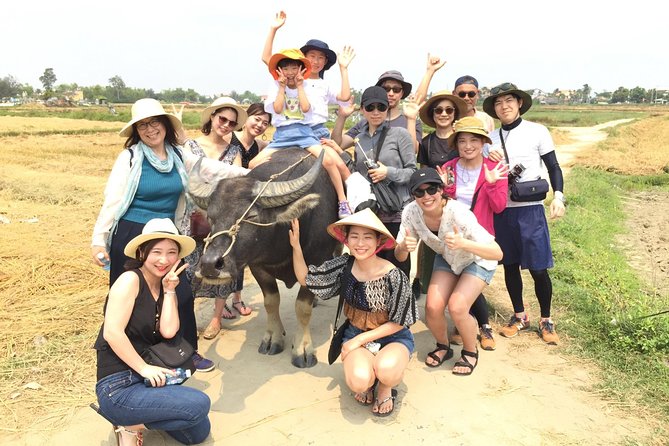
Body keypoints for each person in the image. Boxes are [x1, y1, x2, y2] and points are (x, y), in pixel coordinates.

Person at [90, 98, 248, 372]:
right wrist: (98, 239)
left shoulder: (178, 156)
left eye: (154, 123)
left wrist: (251, 174)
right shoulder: (130, 157)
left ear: (165, 125)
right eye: (142, 126)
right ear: (136, 130)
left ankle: (185, 352)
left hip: (166, 236)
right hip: (131, 233)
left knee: (180, 293)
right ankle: (124, 357)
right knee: (128, 296)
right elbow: (112, 200)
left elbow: (211, 169)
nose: (150, 130)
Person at [289, 209, 418, 416]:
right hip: (355, 333)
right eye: (354, 236)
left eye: (367, 237)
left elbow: (401, 321)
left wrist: (358, 341)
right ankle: (368, 381)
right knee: (358, 382)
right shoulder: (343, 266)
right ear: (346, 240)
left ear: (378, 242)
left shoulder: (394, 275)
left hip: (393, 337)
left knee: (387, 370)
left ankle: (385, 387)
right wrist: (296, 247)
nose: (360, 243)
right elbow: (306, 279)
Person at [94, 218, 211, 445]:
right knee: (199, 404)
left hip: (150, 380)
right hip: (119, 384)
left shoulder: (164, 284)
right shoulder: (129, 280)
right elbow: (112, 332)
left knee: (197, 432)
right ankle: (127, 425)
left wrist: (169, 291)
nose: (164, 260)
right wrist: (144, 368)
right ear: (142, 253)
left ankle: (136, 420)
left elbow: (169, 331)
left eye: (171, 252)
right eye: (156, 251)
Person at [394, 168, 502, 375]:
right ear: (413, 196)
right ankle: (443, 346)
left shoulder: (459, 213)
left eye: (432, 189)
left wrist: (463, 243)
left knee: (458, 307)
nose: (426, 196)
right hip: (448, 259)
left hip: (476, 259)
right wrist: (403, 248)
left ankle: (470, 351)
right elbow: (399, 256)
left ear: (441, 190)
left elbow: (497, 253)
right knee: (432, 307)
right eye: (419, 192)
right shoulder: (410, 212)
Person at [484, 82, 566, 345]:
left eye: (509, 100)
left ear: (519, 103)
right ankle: (519, 315)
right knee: (509, 266)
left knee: (539, 269)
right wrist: (490, 159)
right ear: (494, 109)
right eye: (498, 102)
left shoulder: (537, 131)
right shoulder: (490, 140)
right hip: (502, 210)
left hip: (530, 210)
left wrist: (559, 197)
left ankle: (546, 319)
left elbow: (553, 166)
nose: (504, 106)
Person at [324, 86, 416, 278]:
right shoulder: (359, 138)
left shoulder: (399, 135)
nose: (376, 112)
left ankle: (399, 304)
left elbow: (412, 172)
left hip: (395, 211)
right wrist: (338, 150)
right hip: (369, 212)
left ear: (387, 109)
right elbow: (357, 172)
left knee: (396, 266)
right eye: (370, 107)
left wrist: (387, 172)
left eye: (381, 107)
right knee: (369, 265)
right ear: (363, 109)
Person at [251, 48, 353, 218]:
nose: (290, 73)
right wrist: (282, 87)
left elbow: (305, 108)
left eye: (294, 68)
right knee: (253, 164)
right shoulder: (276, 86)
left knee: (328, 161)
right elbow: (276, 108)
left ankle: (343, 200)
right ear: (279, 71)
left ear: (301, 69)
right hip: (282, 136)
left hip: (304, 134)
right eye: (286, 68)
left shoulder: (307, 86)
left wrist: (299, 87)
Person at [181, 97, 252, 339]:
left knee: (222, 268)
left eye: (232, 123)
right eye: (222, 119)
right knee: (189, 268)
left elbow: (238, 184)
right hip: (192, 218)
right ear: (211, 117)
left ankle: (216, 319)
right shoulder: (190, 146)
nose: (226, 125)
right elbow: (186, 180)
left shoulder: (234, 150)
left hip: (222, 221)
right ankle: (185, 318)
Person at [439, 116, 508, 351]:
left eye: (474, 140)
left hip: (480, 238)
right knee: (460, 280)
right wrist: (444, 187)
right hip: (454, 237)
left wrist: (491, 184)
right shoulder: (448, 168)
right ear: (456, 144)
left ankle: (485, 326)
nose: (468, 146)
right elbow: (443, 205)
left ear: (483, 142)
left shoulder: (494, 168)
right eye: (462, 141)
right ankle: (464, 324)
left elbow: (499, 207)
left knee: (472, 283)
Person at [402, 89, 467, 301]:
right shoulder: (428, 143)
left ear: (455, 113)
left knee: (461, 245)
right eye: (439, 110)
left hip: (459, 200)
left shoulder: (461, 141)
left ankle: (462, 294)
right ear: (433, 114)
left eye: (449, 109)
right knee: (428, 240)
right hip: (433, 200)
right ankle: (422, 280)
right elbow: (420, 166)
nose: (444, 113)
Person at [260, 10, 355, 140]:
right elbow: (266, 58)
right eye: (312, 56)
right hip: (288, 131)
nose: (316, 61)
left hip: (318, 132)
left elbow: (344, 97)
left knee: (336, 160)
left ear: (325, 61)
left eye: (321, 58)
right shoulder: (289, 78)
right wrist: (273, 29)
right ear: (303, 58)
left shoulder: (324, 84)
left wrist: (343, 68)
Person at [332, 70, 422, 152]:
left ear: (402, 93)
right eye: (386, 89)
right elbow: (337, 145)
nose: (391, 93)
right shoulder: (365, 124)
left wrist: (411, 120)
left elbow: (412, 151)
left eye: (396, 90)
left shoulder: (410, 122)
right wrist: (342, 117)